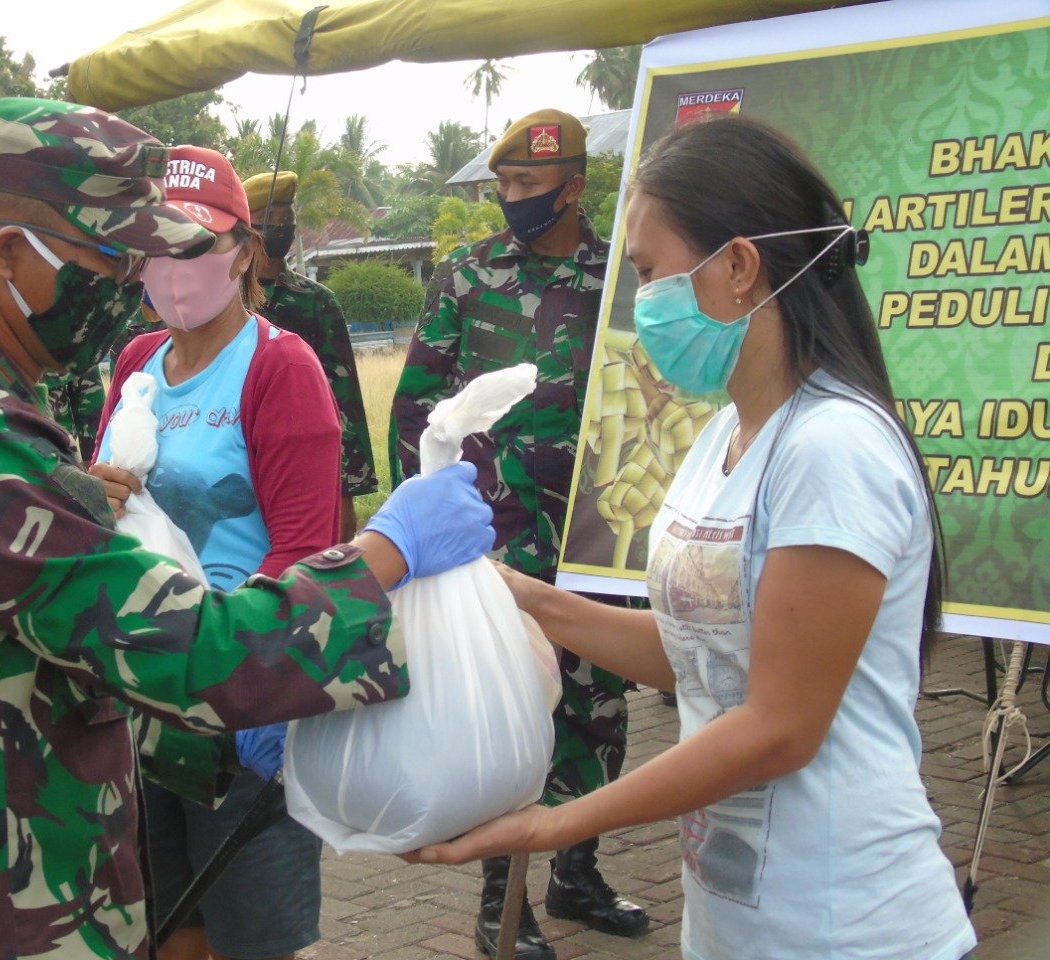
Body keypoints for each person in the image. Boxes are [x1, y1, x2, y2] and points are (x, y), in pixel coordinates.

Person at [0, 97, 492, 960]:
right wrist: (388, 550)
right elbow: (185, 648)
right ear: (6, 256)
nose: (126, 286)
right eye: (110, 258)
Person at [407, 116, 978, 960]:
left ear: (739, 266)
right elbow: (700, 654)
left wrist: (554, 823)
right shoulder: (725, 435)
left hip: (849, 927)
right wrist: (526, 600)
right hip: (734, 927)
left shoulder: (833, 449)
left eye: (649, 272)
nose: (641, 304)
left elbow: (779, 725)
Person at [390, 109, 646, 959]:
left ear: (573, 187)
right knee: (512, 720)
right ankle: (505, 903)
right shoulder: (467, 275)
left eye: (527, 186)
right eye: (503, 185)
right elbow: (415, 408)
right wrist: (421, 534)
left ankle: (579, 872)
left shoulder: (620, 278)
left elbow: (651, 402)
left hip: (596, 539)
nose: (511, 199)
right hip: (497, 545)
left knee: (598, 715)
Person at [93, 145, 341, 960]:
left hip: (237, 702)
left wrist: (254, 692)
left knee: (254, 933)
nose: (175, 270)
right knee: (167, 920)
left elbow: (306, 549)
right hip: (145, 686)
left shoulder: (279, 367)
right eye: (158, 246)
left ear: (243, 253)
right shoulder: (137, 362)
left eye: (195, 246)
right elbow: (112, 507)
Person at [242, 170, 378, 540]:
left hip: (304, 465)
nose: (280, 229)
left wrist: (347, 492)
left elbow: (344, 400)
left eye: (287, 221)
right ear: (246, 228)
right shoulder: (222, 299)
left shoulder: (316, 302)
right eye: (269, 221)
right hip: (236, 464)